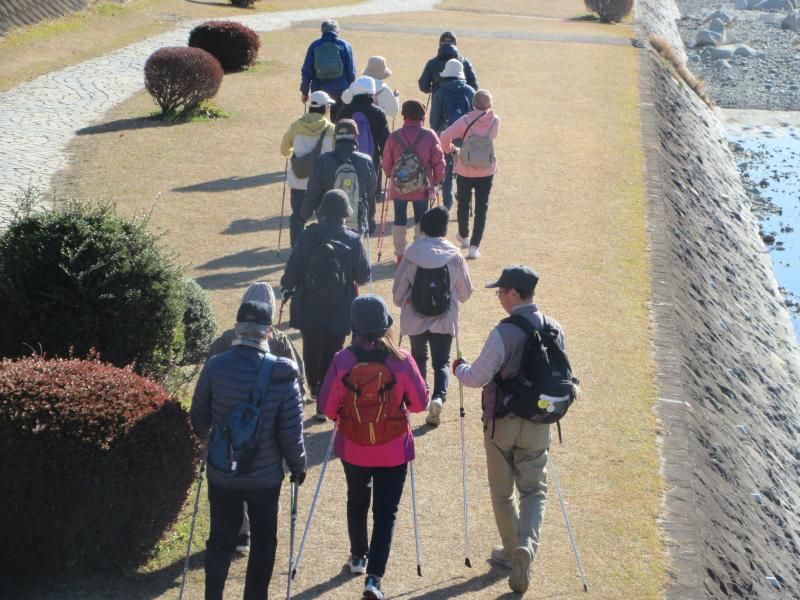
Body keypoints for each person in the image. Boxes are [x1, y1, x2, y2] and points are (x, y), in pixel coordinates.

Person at [452, 266, 565, 594]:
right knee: (534, 490)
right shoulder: (555, 328)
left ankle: (512, 548)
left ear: (515, 294)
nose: (499, 296)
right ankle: (526, 548)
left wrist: (459, 367)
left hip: (501, 422)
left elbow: (476, 378)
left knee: (502, 491)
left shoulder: (502, 332)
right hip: (539, 422)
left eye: (501, 291)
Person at [190, 300, 307, 600]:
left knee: (219, 541)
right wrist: (298, 465)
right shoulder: (283, 373)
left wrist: (209, 445)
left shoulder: (215, 366)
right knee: (264, 543)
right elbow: (291, 432)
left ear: (237, 328)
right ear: (268, 332)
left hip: (221, 474)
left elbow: (198, 418)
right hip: (265, 478)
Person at [318, 295, 428, 600]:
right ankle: (374, 579)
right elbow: (419, 404)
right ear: (386, 325)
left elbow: (326, 408)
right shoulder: (403, 360)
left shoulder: (342, 361)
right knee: (385, 512)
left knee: (357, 499)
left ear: (354, 326)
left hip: (354, 447)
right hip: (393, 449)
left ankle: (357, 556)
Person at [207, 281, 307, 553]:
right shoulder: (281, 342)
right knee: (259, 474)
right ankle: (251, 533)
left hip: (229, 422)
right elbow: (300, 384)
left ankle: (241, 531)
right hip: (269, 427)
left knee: (233, 466)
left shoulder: (223, 341)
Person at [282, 190, 371, 420]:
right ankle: (324, 401)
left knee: (311, 347)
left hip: (308, 304)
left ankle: (313, 385)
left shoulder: (307, 236)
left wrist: (286, 286)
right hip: (340, 308)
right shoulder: (353, 239)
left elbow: (291, 272)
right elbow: (362, 276)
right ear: (344, 214)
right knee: (334, 351)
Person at [392, 206, 473, 426]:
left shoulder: (411, 254)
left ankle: (421, 396)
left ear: (423, 229)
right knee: (442, 362)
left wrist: (404, 302)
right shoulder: (455, 256)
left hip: (415, 318)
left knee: (418, 357)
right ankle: (439, 397)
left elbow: (398, 295)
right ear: (445, 230)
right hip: (444, 319)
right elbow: (465, 293)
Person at [437, 89, 500, 260]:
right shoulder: (494, 121)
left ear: (473, 104)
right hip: (486, 169)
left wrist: (453, 150)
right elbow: (493, 136)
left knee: (463, 202)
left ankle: (464, 236)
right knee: (482, 207)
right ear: (490, 105)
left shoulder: (465, 120)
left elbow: (444, 137)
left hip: (465, 167)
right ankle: (474, 246)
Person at [381, 100, 445, 264]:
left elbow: (386, 162)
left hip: (399, 186)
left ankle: (400, 255)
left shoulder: (394, 136)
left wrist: (390, 174)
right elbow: (439, 160)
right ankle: (419, 254)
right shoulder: (429, 135)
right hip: (422, 187)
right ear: (422, 116)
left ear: (404, 116)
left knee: (399, 220)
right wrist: (438, 179)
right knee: (421, 220)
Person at [301, 119, 377, 235]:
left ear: (335, 137)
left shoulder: (323, 160)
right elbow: (371, 193)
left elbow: (313, 192)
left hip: (327, 221)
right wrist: (370, 218)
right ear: (356, 136)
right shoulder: (366, 161)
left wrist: (304, 215)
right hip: (357, 221)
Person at [280, 91, 336, 247]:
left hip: (298, 181)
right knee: (324, 216)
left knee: (298, 216)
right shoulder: (331, 129)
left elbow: (284, 150)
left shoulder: (296, 125)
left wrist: (294, 155)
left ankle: (297, 248)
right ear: (325, 108)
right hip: (321, 182)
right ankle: (323, 246)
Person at [337, 76, 390, 232]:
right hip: (370, 159)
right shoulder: (378, 113)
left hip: (344, 158)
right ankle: (368, 222)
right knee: (369, 192)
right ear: (371, 93)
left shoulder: (344, 110)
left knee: (345, 189)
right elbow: (384, 140)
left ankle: (346, 221)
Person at [429, 59, 475, 210]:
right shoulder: (470, 91)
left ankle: (446, 204)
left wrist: (436, 134)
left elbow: (434, 120)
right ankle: (464, 198)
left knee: (446, 170)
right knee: (465, 169)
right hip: (467, 137)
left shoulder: (440, 92)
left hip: (446, 136)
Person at [300, 19, 356, 121]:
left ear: (322, 31)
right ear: (337, 31)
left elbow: (307, 71)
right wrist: (351, 91)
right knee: (338, 121)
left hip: (319, 90)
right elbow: (351, 72)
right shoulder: (345, 46)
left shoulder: (314, 46)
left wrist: (304, 91)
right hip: (341, 91)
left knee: (317, 120)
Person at [418, 31, 478, 96]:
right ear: (455, 44)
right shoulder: (464, 62)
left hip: (438, 102)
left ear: (440, 44)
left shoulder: (432, 63)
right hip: (461, 102)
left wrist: (434, 88)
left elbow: (423, 86)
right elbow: (474, 86)